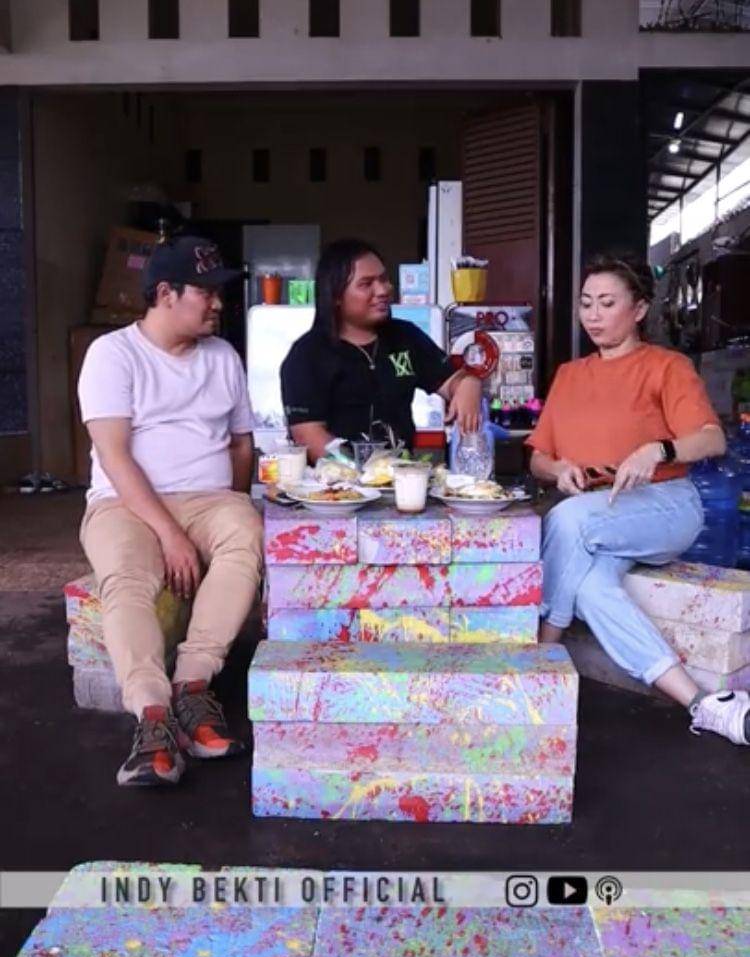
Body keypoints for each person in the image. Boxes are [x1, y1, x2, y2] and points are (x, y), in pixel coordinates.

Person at [528, 253, 749, 747]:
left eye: (608, 303)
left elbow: (711, 439)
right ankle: (706, 704)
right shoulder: (569, 375)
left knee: (566, 520)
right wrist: (559, 469)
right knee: (591, 590)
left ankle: (538, 659)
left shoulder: (666, 367)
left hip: (663, 506)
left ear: (640, 309)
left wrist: (659, 449)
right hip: (600, 515)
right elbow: (539, 457)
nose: (593, 315)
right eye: (587, 303)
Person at [78, 235, 264, 787]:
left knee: (246, 532)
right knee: (127, 576)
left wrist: (230, 505)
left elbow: (241, 446)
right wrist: (172, 536)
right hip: (124, 502)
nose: (218, 304)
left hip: (207, 499)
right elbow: (114, 456)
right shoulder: (113, 354)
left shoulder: (223, 357)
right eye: (206, 292)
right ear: (165, 293)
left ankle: (192, 686)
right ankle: (152, 716)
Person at [280, 238, 482, 460]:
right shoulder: (307, 355)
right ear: (336, 296)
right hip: (335, 479)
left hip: (402, 475)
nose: (383, 290)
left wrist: (468, 385)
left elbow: (452, 380)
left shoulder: (406, 336)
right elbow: (308, 435)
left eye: (384, 279)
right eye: (366, 284)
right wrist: (358, 470)